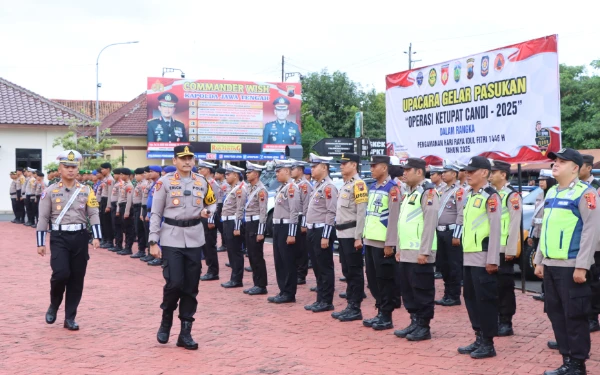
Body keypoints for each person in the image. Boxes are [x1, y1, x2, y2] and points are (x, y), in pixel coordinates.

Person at [534, 148, 600, 375]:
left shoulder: (586, 193)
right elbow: (545, 230)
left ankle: (578, 364)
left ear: (575, 167)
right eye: (555, 161)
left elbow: (591, 232)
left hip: (572, 267)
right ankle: (566, 359)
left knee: (574, 317)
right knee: (556, 314)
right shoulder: (552, 192)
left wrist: (582, 265)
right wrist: (539, 259)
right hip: (551, 266)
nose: (555, 165)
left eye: (562, 162)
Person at [149, 145, 216, 350]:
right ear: (174, 161)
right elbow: (155, 213)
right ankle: (166, 318)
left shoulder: (202, 181)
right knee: (174, 283)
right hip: (171, 237)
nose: (187, 162)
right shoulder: (164, 182)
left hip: (195, 238)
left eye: (190, 158)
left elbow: (212, 203)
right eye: (183, 158)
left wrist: (207, 211)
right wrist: (153, 241)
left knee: (191, 287)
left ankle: (185, 332)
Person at [36, 150, 102, 331]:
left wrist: (97, 236)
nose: (71, 170)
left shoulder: (86, 190)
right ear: (60, 169)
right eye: (67, 166)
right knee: (61, 274)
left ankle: (70, 317)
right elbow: (43, 217)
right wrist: (40, 243)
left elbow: (93, 213)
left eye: (74, 167)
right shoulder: (50, 191)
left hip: (80, 237)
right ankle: (54, 304)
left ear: (78, 169)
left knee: (76, 279)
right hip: (59, 237)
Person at [457, 156, 501, 359]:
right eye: (467, 171)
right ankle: (478, 336)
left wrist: (492, 259)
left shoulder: (490, 196)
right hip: (468, 255)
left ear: (484, 172)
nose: (468, 174)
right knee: (471, 298)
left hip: (483, 256)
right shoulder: (469, 195)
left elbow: (495, 229)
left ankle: (488, 342)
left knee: (485, 299)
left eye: (472, 171)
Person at [391, 158, 439, 341]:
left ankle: (424, 326)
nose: (404, 173)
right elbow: (403, 223)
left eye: (408, 170)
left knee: (422, 290)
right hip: (406, 251)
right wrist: (399, 247)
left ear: (419, 172)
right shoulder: (409, 193)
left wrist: (424, 251)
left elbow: (429, 223)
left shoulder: (428, 192)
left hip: (420, 252)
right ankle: (414, 321)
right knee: (408, 290)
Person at [362, 155, 401, 331]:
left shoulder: (392, 189)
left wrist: (390, 243)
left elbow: (393, 218)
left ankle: (386, 315)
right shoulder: (372, 187)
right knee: (372, 279)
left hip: (382, 242)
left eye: (374, 166)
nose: (371, 169)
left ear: (384, 168)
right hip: (370, 239)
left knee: (385, 280)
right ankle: (379, 311)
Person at [331, 153, 368, 322]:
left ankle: (355, 307)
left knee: (354, 271)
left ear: (354, 165)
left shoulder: (358, 185)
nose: (341, 166)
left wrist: (358, 237)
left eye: (345, 163)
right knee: (347, 271)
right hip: (342, 233)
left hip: (352, 233)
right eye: (341, 163)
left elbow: (361, 213)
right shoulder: (345, 184)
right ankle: (350, 304)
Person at [488, 160, 522, 337]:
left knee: (505, 287)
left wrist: (510, 250)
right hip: (490, 248)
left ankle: (506, 322)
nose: (490, 175)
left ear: (503, 174)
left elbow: (514, 225)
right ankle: (495, 318)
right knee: (491, 287)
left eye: (494, 172)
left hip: (503, 250)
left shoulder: (512, 196)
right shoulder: (491, 194)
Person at [304, 153, 338, 313]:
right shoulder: (318, 186)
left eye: (314, 166)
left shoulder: (329, 187)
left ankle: (326, 301)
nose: (311, 169)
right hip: (312, 230)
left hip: (321, 230)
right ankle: (320, 299)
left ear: (324, 167)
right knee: (317, 267)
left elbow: (331, 213)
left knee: (324, 267)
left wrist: (325, 235)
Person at [268, 159, 301, 304]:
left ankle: (289, 293)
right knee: (279, 261)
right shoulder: (283, 187)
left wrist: (292, 233)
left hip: (287, 227)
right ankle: (283, 290)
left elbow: (294, 211)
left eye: (278, 171)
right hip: (278, 226)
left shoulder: (292, 188)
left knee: (287, 261)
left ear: (286, 171)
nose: (276, 173)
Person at [435, 161, 465, 307]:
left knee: (454, 265)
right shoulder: (441, 189)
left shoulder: (459, 191)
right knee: (443, 265)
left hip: (451, 231)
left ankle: (454, 295)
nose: (443, 174)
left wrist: (457, 235)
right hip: (440, 231)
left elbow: (461, 214)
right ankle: (447, 293)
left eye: (446, 172)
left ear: (454, 174)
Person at [241, 162, 269, 295]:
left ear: (256, 174)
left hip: (256, 224)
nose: (247, 174)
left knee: (257, 256)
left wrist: (261, 231)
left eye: (249, 172)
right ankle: (256, 283)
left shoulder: (261, 190)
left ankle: (261, 285)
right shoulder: (250, 188)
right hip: (249, 223)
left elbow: (263, 212)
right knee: (251, 255)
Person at [529, 170, 556, 302]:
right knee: (539, 264)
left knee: (546, 265)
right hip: (537, 234)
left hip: (547, 235)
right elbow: (534, 216)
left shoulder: (553, 194)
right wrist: (530, 234)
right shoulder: (539, 195)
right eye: (539, 180)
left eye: (544, 180)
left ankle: (548, 292)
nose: (541, 182)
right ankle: (543, 291)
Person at [220, 163, 246, 288]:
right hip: (227, 222)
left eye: (228, 174)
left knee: (235, 251)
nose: (226, 177)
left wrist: (237, 227)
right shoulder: (233, 188)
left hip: (233, 222)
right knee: (231, 250)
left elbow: (240, 209)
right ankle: (234, 277)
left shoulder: (241, 188)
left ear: (235, 175)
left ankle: (237, 279)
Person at [196, 160, 220, 280]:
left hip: (208, 218)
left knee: (209, 245)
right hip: (202, 217)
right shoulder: (203, 182)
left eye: (202, 169)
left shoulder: (212, 184)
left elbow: (213, 204)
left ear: (208, 170)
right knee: (204, 245)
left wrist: (211, 220)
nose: (199, 171)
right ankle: (209, 269)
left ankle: (213, 271)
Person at [291, 160, 313, 285]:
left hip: (300, 218)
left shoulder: (305, 185)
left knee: (301, 248)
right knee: (293, 248)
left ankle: (301, 274)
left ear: (300, 170)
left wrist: (304, 223)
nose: (291, 171)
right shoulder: (293, 184)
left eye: (293, 169)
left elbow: (306, 206)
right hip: (293, 218)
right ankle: (296, 271)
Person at [141, 166, 162, 264]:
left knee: (158, 235)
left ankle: (160, 256)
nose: (149, 173)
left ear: (158, 173)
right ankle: (154, 254)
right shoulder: (154, 184)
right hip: (150, 211)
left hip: (157, 213)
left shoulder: (160, 184)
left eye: (152, 171)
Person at [131, 168, 147, 258]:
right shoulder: (139, 183)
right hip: (136, 207)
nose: (136, 176)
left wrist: (141, 213)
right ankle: (141, 249)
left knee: (141, 230)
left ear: (142, 175)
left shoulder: (144, 184)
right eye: (136, 175)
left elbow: (143, 200)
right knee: (138, 229)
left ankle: (142, 250)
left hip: (140, 207)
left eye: (137, 175)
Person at [99, 163, 115, 250]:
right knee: (103, 222)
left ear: (108, 169)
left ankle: (109, 241)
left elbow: (110, 193)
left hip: (107, 200)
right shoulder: (105, 179)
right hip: (103, 199)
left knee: (107, 222)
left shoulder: (110, 179)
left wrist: (108, 205)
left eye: (103, 169)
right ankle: (104, 239)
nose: (101, 171)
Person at [108, 168, 123, 252]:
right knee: (114, 225)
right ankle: (116, 243)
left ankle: (119, 245)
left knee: (118, 226)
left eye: (115, 174)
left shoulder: (121, 184)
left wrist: (117, 208)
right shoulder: (116, 183)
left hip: (117, 205)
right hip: (114, 205)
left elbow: (120, 197)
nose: (114, 175)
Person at [214, 167, 228, 252]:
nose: (215, 175)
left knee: (222, 227)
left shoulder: (225, 184)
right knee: (220, 226)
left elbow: (224, 197)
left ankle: (225, 245)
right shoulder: (219, 183)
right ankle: (224, 244)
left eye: (217, 173)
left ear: (221, 175)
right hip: (218, 205)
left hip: (222, 205)